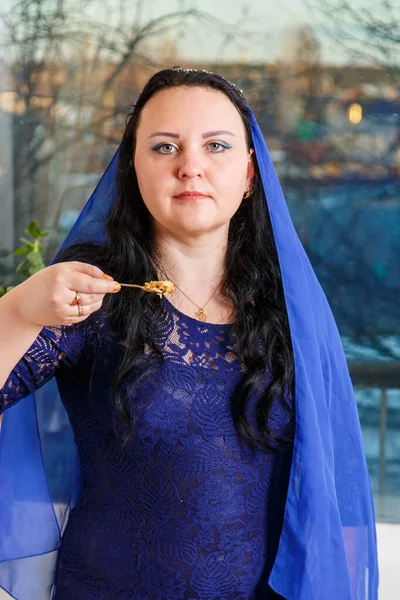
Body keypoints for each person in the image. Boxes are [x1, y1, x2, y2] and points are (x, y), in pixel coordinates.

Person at [0, 68, 378, 600]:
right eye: (164, 146)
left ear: (249, 173)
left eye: (216, 146)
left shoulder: (287, 309)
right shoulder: (91, 292)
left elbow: (336, 494)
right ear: (133, 168)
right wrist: (17, 309)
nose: (190, 167)